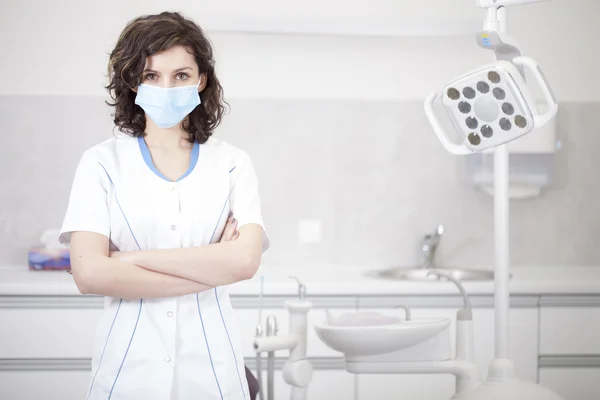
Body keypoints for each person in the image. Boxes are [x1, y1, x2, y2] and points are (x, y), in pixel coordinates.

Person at [59, 11, 269, 400]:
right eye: (151, 75)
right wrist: (212, 265)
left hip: (212, 372)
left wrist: (123, 262)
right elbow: (88, 275)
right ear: (132, 82)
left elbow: (244, 263)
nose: (167, 87)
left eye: (181, 75)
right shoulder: (101, 163)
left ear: (201, 80)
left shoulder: (233, 163)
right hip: (127, 371)